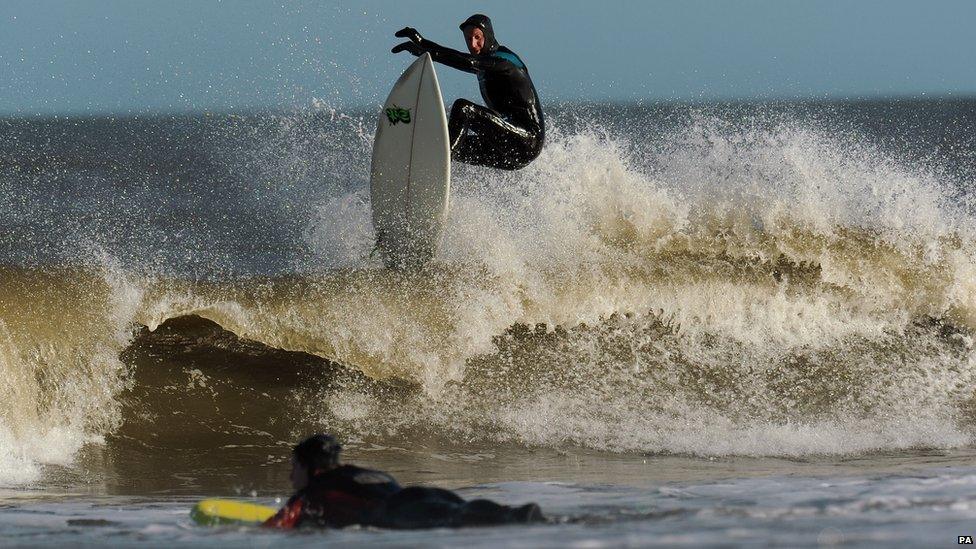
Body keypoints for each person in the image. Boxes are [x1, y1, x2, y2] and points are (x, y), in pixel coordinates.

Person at [264, 433, 545, 530]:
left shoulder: (315, 489)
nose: (290, 475)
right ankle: (516, 514)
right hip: (420, 494)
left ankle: (518, 516)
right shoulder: (359, 473)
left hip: (400, 511)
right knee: (460, 511)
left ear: (309, 467)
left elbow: (279, 525)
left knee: (458, 519)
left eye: (294, 466)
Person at [391, 14, 545, 171]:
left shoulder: (505, 61)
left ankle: (440, 164)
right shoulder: (484, 64)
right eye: (468, 39)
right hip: (508, 148)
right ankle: (421, 172)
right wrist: (423, 43)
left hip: (526, 141)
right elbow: (459, 57)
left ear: (489, 36)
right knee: (441, 145)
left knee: (464, 109)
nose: (473, 44)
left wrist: (426, 52)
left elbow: (468, 62)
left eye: (478, 37)